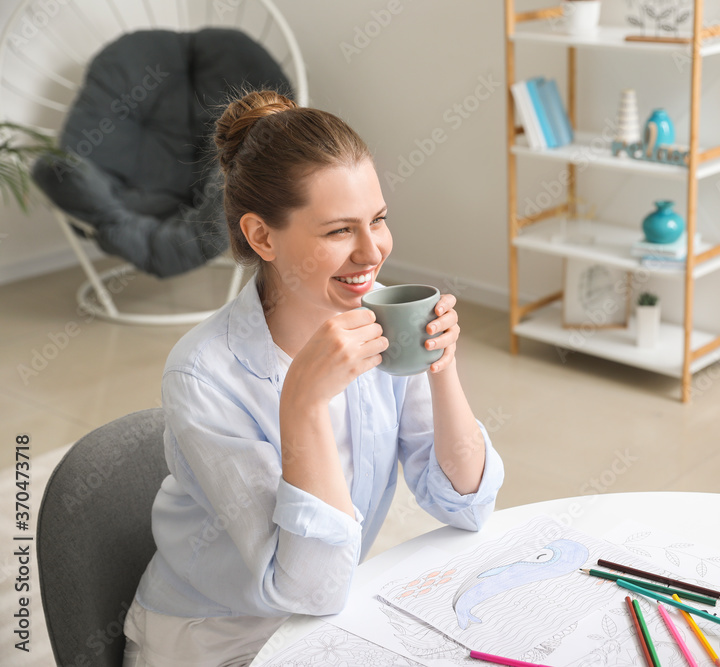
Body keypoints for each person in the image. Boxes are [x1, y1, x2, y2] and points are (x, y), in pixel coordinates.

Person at [122, 90, 504, 666]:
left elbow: (466, 504)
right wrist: (302, 403)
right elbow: (308, 585)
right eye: (338, 232)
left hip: (327, 622)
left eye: (377, 220)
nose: (372, 252)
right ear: (263, 237)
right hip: (213, 640)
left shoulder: (380, 321)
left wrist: (441, 369)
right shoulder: (203, 375)